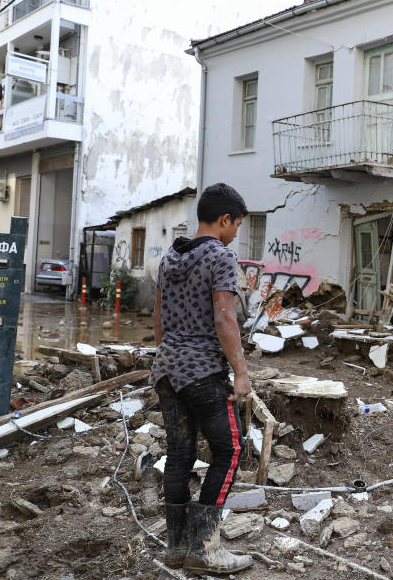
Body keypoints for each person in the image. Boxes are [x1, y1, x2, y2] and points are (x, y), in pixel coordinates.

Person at [152, 183, 252, 574]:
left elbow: (158, 319)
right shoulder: (221, 257)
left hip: (167, 371)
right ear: (224, 219)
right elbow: (224, 317)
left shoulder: (169, 258)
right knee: (230, 452)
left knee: (180, 454)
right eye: (236, 226)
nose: (234, 234)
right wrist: (240, 372)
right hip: (203, 373)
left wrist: (168, 354)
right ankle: (205, 548)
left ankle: (176, 548)